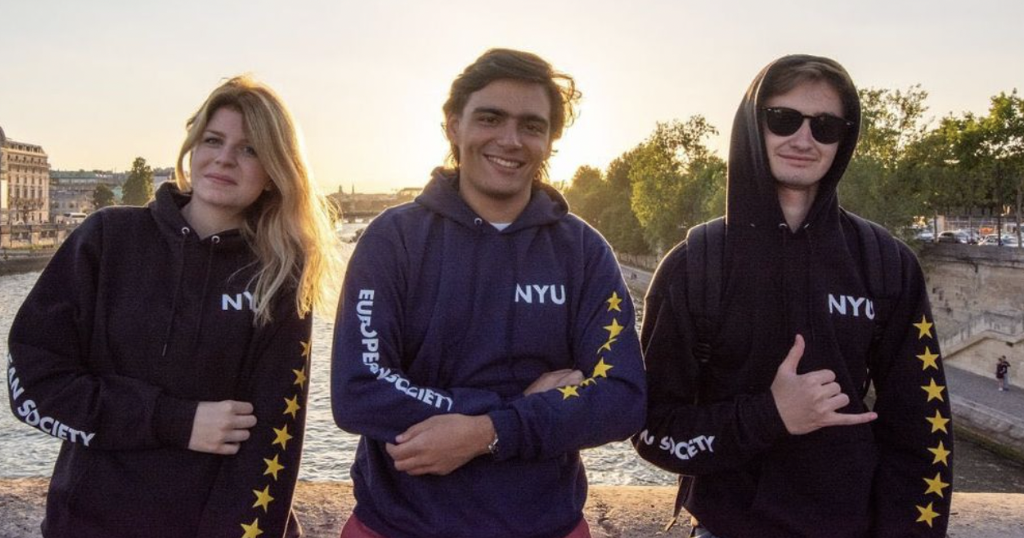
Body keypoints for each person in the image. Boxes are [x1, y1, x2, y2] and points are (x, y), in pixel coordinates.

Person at [6, 76, 341, 538]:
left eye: (250, 149)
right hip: (86, 523)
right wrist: (174, 421)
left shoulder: (277, 272)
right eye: (214, 140)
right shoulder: (106, 240)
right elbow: (35, 384)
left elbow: (274, 443)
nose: (224, 157)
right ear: (191, 146)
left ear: (275, 171)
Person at [330, 48, 646, 538]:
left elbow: (621, 397)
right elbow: (359, 392)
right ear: (453, 126)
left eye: (531, 125)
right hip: (397, 526)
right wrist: (518, 409)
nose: (510, 140)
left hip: (546, 526)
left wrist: (487, 433)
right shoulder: (392, 241)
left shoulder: (582, 252)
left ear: (550, 141)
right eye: (490, 118)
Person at [634, 55, 954, 537]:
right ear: (752, 126)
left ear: (844, 139)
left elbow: (923, 432)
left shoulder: (886, 265)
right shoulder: (695, 265)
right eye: (783, 120)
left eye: (825, 126)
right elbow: (652, 430)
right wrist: (771, 415)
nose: (804, 139)